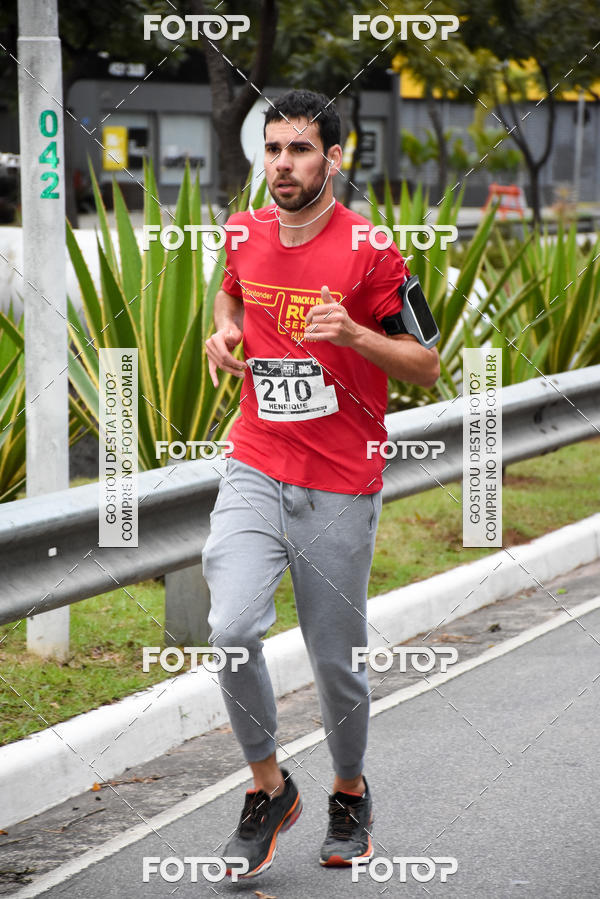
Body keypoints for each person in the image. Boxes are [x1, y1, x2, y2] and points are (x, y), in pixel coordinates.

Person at [203, 88, 439, 879]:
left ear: (334, 158)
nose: (283, 165)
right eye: (273, 150)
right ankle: (270, 787)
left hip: (339, 478)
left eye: (300, 150)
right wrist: (225, 326)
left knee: (334, 659)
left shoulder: (372, 250)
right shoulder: (245, 229)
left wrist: (357, 333)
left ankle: (347, 792)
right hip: (255, 459)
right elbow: (233, 287)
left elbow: (426, 366)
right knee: (232, 629)